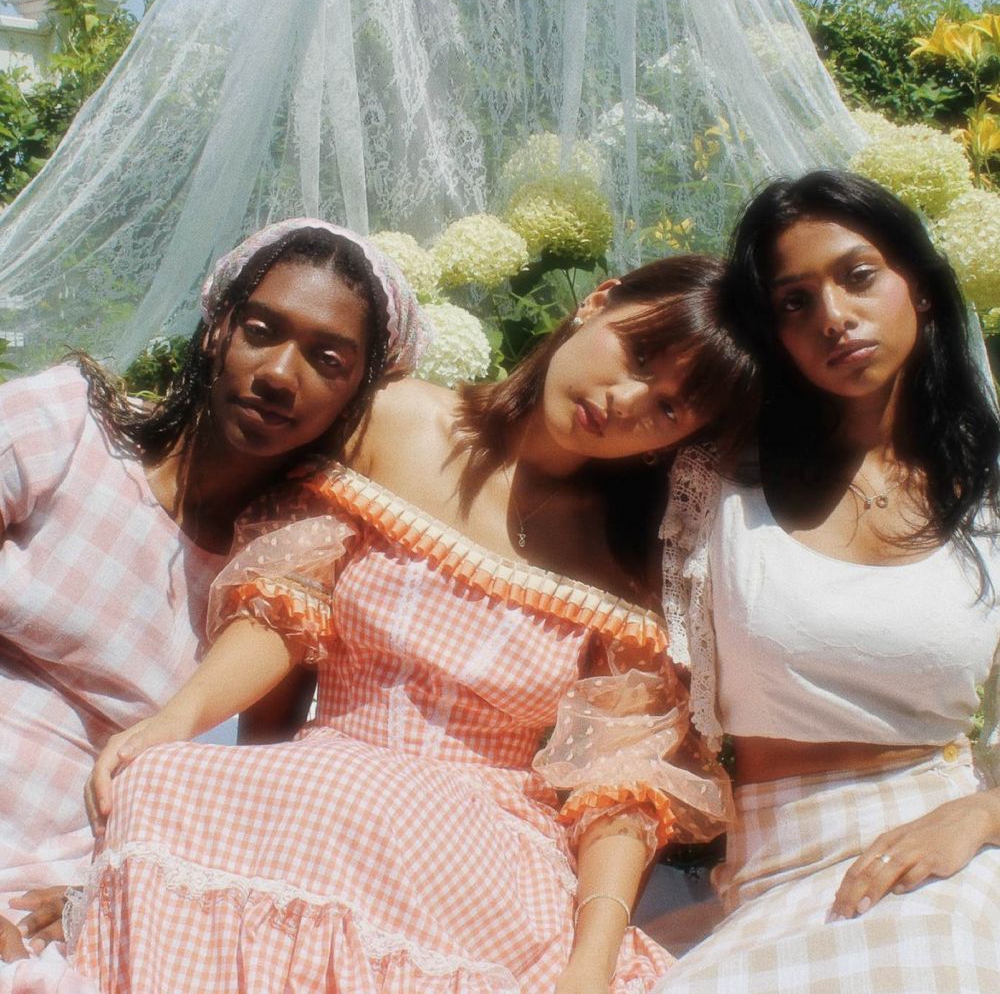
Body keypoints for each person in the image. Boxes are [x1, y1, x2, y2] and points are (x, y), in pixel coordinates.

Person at [40, 254, 759, 994]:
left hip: (479, 844)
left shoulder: (631, 563)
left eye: (669, 409)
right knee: (163, 781)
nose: (626, 400)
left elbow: (619, 788)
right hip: (328, 772)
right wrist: (178, 718)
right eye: (638, 354)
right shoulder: (397, 420)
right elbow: (285, 608)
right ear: (597, 302)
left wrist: (593, 961)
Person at [0, 219, 425, 965]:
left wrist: (92, 900)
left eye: (327, 359)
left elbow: (247, 791)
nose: (280, 374)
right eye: (262, 331)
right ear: (216, 330)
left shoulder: (280, 589)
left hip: (66, 868)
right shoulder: (64, 430)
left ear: (362, 392)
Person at [657, 170, 1000, 991]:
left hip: (942, 843)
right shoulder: (715, 493)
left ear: (917, 288)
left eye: (858, 277)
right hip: (771, 864)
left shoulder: (989, 496)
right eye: (793, 302)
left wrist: (984, 813)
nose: (833, 319)